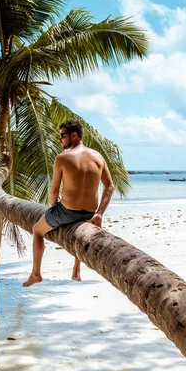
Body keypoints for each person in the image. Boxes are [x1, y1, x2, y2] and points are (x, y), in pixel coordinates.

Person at [23, 119, 115, 287]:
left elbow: (54, 191)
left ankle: (36, 273)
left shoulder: (62, 158)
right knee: (79, 228)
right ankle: (76, 269)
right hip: (89, 213)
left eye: (62, 136)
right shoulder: (98, 157)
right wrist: (99, 213)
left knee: (37, 230)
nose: (60, 140)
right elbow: (110, 186)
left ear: (73, 136)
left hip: (66, 212)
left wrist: (53, 208)